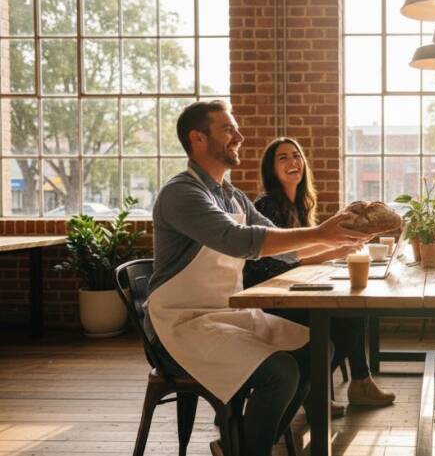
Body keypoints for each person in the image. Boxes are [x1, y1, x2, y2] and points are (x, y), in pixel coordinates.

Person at [145, 100, 368, 456]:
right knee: (280, 373)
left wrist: (336, 239)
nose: (240, 136)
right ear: (197, 139)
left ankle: (242, 446)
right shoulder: (181, 193)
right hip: (178, 324)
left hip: (225, 314)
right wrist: (321, 234)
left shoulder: (232, 196)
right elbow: (239, 241)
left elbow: (280, 247)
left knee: (317, 349)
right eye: (228, 129)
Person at [243, 137, 396, 412]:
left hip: (289, 289)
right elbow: (283, 263)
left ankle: (341, 387)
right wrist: (335, 250)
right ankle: (323, 391)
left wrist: (339, 244)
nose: (293, 162)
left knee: (351, 312)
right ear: (271, 169)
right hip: (269, 299)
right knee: (344, 320)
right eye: (283, 158)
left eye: (296, 156)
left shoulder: (300, 204)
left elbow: (300, 254)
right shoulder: (267, 205)